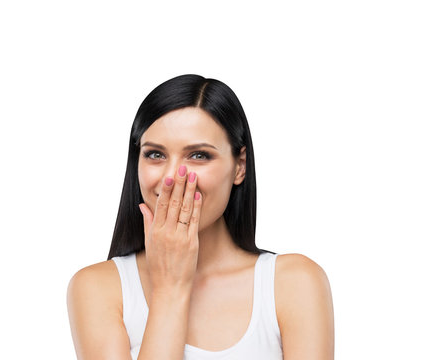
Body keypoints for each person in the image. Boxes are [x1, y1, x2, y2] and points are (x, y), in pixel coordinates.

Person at [67, 74, 334, 360]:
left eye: (198, 156)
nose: (172, 178)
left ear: (239, 166)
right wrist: (170, 288)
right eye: (155, 155)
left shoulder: (294, 282)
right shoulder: (97, 288)